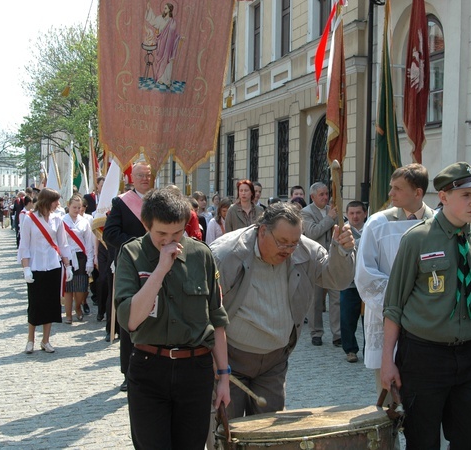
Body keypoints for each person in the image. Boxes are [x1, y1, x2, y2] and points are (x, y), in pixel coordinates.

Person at [382, 162, 471, 450]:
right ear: (444, 197)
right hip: (423, 358)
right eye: (466, 196)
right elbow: (394, 306)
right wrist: (388, 359)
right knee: (422, 442)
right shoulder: (417, 239)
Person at [209, 202, 355, 419]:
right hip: (231, 360)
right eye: (282, 242)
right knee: (227, 432)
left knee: (270, 436)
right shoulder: (226, 254)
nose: (288, 250)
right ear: (262, 231)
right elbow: (203, 312)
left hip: (274, 361)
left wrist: (342, 252)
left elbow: (336, 278)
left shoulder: (304, 250)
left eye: (294, 243)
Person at [114, 187, 230, 449]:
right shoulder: (132, 254)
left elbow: (217, 319)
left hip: (195, 369)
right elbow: (130, 320)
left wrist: (223, 376)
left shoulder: (201, 254)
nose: (170, 240)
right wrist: (161, 269)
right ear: (146, 225)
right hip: (149, 367)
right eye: (161, 234)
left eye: (177, 232)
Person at [355, 164, 435, 400]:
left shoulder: (439, 223)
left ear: (417, 193)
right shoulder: (378, 224)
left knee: (426, 397)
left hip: (428, 321)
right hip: (385, 317)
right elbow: (365, 273)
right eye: (391, 187)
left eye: (397, 189)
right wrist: (400, 301)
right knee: (390, 398)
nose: (391, 194)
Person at [103, 161, 153, 392]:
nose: (144, 178)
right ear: (132, 178)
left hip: (156, 266)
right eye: (140, 175)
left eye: (148, 175)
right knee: (129, 321)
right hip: (131, 267)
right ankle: (128, 372)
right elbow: (111, 233)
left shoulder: (157, 201)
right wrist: (137, 246)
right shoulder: (121, 203)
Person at [17, 187, 71, 354]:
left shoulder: (58, 219)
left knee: (51, 305)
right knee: (35, 304)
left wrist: (68, 266)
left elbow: (63, 244)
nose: (58, 204)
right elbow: (24, 246)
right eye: (55, 201)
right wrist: (26, 268)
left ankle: (46, 340)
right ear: (47, 201)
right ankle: (30, 339)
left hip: (53, 266)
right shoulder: (30, 219)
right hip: (36, 267)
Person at [301, 182, 341, 346]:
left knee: (336, 298)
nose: (325, 197)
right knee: (316, 300)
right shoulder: (306, 212)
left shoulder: (334, 209)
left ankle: (338, 334)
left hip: (334, 259)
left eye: (326, 194)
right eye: (321, 195)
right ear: (312, 197)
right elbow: (313, 232)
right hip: (315, 260)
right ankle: (316, 332)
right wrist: (330, 218)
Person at [62, 195, 95, 324]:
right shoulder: (62, 220)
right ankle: (69, 314)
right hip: (67, 256)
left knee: (81, 287)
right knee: (68, 288)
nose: (76, 209)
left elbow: (89, 242)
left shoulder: (84, 222)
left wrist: (90, 260)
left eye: (79, 207)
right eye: (74, 207)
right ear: (68, 206)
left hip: (81, 256)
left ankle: (78, 307)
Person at [341, 200, 367, 363]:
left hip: (368, 281)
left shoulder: (372, 229)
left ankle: (369, 349)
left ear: (365, 213)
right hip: (348, 281)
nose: (355, 216)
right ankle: (350, 349)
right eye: (351, 213)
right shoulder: (343, 231)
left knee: (369, 320)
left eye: (358, 213)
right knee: (347, 317)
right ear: (347, 214)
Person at [144, 1, 180, 86]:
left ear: (169, 10)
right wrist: (149, 9)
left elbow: (174, 35)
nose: (164, 9)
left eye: (165, 8)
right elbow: (152, 21)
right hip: (161, 44)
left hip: (168, 46)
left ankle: (167, 80)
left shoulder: (173, 22)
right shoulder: (160, 18)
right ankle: (160, 78)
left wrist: (179, 38)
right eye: (164, 8)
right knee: (160, 60)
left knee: (168, 62)